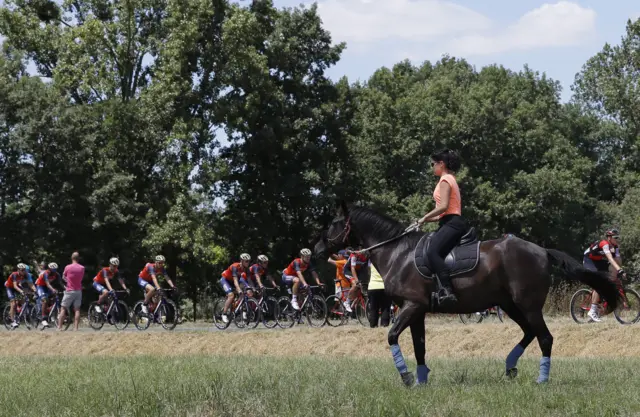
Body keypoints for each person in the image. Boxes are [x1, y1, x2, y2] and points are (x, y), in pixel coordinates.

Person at [416, 149, 468, 306]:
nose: (432, 167)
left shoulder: (445, 180)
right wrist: (424, 221)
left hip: (452, 222)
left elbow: (444, 206)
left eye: (433, 164)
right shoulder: (450, 178)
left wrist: (425, 216)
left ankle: (447, 290)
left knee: (432, 251)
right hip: (448, 221)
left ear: (441, 164)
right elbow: (442, 213)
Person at [583, 229, 625, 322]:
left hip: (598, 261)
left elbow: (618, 259)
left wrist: (621, 270)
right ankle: (592, 311)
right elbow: (610, 258)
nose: (617, 239)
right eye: (615, 237)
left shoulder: (615, 246)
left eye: (618, 237)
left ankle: (600, 300)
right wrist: (619, 269)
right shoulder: (604, 244)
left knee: (610, 278)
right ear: (609, 238)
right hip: (589, 260)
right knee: (599, 282)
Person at [219, 253, 252, 324]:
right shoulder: (235, 267)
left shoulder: (247, 269)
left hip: (235, 281)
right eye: (246, 261)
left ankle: (238, 310)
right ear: (241, 261)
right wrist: (239, 289)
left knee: (244, 294)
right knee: (231, 295)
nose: (248, 263)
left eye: (249, 261)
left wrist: (251, 288)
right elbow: (235, 281)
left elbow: (249, 281)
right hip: (225, 280)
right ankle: (224, 314)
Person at [58, 252, 85, 331]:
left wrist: (67, 281)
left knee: (63, 308)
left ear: (72, 258)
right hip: (78, 290)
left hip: (69, 290)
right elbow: (81, 278)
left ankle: (59, 327)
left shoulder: (68, 267)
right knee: (77, 309)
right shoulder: (82, 268)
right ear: (78, 258)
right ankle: (76, 328)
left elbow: (63, 276)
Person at [5, 263, 36, 329]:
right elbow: (15, 286)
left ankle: (17, 313)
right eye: (22, 270)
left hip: (17, 287)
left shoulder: (26, 275)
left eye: (24, 270)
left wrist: (35, 290)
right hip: (10, 288)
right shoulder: (14, 274)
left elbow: (31, 284)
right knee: (13, 303)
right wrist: (21, 291)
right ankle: (12, 320)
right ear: (18, 270)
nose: (23, 271)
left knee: (22, 301)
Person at [35, 262, 62, 328]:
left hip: (47, 287)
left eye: (55, 269)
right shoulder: (46, 273)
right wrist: (53, 289)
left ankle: (53, 313)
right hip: (40, 286)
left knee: (56, 296)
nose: (54, 271)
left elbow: (61, 283)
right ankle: (44, 318)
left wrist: (67, 289)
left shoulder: (57, 274)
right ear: (49, 269)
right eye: (53, 270)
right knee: (45, 300)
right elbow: (47, 284)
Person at [368, 261, 392, 327]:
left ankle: (373, 326)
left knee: (373, 308)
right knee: (385, 308)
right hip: (385, 287)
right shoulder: (388, 262)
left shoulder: (372, 262)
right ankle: (384, 326)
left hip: (373, 287)